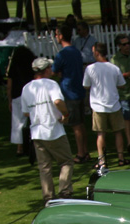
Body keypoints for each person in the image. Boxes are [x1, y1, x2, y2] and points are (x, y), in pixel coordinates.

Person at [21, 57, 74, 201]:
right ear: (46, 70)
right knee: (66, 161)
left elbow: (26, 112)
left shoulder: (27, 88)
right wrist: (65, 114)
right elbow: (57, 101)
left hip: (37, 132)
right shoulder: (51, 84)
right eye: (50, 68)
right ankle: (64, 191)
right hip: (53, 130)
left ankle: (48, 197)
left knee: (44, 167)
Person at [83, 42, 127, 169]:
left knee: (101, 134)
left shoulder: (90, 69)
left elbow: (86, 85)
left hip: (98, 105)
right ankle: (121, 158)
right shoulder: (114, 68)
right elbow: (122, 84)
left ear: (97, 52)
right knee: (118, 132)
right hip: (114, 104)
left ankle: (102, 161)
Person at [53, 24, 89, 164]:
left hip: (70, 91)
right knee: (81, 123)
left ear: (61, 36)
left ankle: (80, 153)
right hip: (79, 90)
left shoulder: (62, 54)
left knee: (76, 125)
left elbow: (55, 70)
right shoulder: (75, 51)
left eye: (57, 34)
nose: (56, 37)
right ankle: (85, 151)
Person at [6, 45, 35, 158]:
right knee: (34, 119)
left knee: (18, 122)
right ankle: (35, 144)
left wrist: (9, 100)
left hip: (17, 95)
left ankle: (20, 147)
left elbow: (9, 85)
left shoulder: (13, 66)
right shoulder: (31, 65)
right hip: (30, 94)